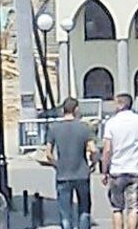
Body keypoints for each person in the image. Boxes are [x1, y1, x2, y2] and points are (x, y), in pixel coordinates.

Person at [100, 93, 138, 229]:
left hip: (116, 170)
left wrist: (104, 171)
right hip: (135, 169)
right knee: (133, 207)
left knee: (117, 208)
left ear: (121, 104)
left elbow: (107, 150)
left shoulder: (111, 123)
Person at [44, 97, 95, 229]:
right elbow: (93, 149)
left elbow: (48, 154)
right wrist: (93, 163)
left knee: (65, 213)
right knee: (84, 209)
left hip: (63, 174)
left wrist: (57, 164)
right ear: (76, 109)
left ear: (63, 110)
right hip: (82, 173)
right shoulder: (84, 127)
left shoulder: (54, 128)